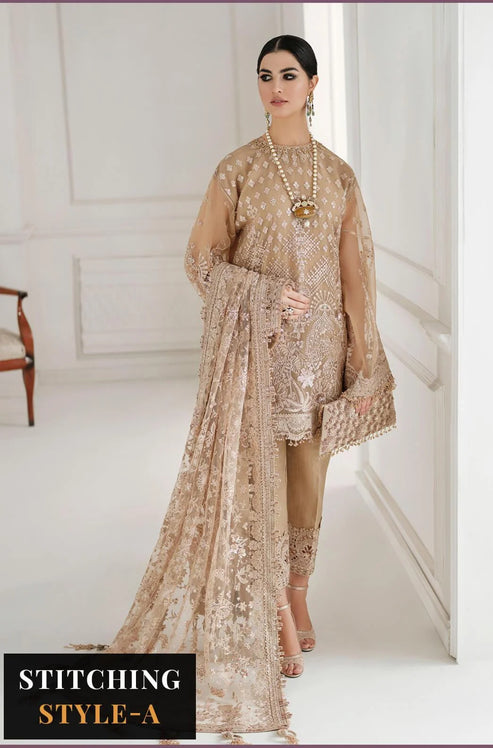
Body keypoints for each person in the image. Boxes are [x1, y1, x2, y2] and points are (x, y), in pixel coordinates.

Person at [66, 34, 396, 744]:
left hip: (321, 356)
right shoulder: (238, 168)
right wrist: (266, 295)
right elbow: (201, 260)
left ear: (312, 84)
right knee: (256, 482)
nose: (275, 86)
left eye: (288, 75)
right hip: (256, 356)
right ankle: (275, 612)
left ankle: (297, 595)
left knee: (307, 479)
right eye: (265, 76)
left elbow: (357, 277)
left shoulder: (339, 176)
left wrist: (364, 364)